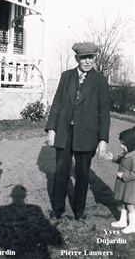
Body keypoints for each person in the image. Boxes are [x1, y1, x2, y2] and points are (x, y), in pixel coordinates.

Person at [45, 42, 110, 221]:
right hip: (65, 133)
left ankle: (79, 210)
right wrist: (51, 130)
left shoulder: (100, 80)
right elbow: (57, 103)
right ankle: (58, 208)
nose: (87, 61)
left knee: (82, 174)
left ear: (94, 58)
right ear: (77, 58)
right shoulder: (66, 77)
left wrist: (103, 140)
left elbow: (104, 112)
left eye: (90, 57)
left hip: (87, 135)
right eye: (83, 58)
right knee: (61, 172)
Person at [105, 126, 135, 234]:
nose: (121, 146)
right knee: (123, 203)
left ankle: (132, 225)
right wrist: (112, 157)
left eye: (124, 144)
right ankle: (123, 221)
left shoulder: (134, 157)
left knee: (130, 205)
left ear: (131, 144)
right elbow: (120, 159)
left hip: (131, 188)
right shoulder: (128, 154)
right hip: (124, 186)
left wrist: (123, 176)